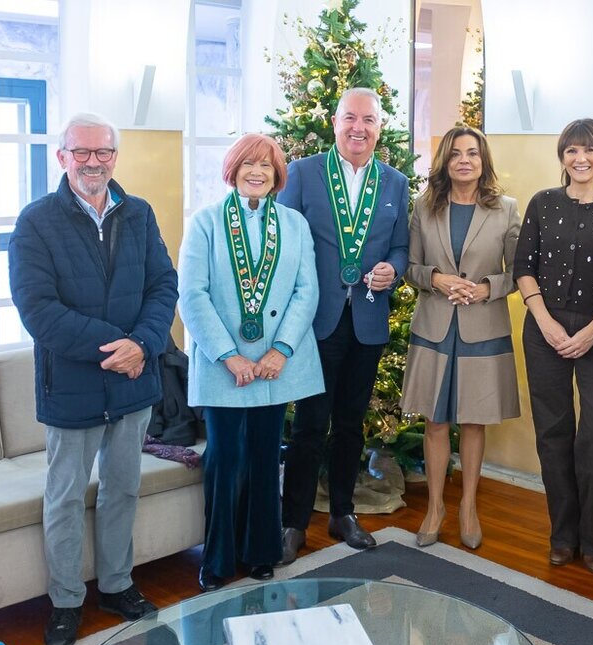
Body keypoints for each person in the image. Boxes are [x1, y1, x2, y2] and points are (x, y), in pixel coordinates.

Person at [8, 112, 178, 645]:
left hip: (134, 386)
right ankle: (64, 602)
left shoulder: (141, 214)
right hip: (72, 386)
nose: (93, 162)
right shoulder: (36, 222)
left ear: (114, 157)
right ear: (61, 157)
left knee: (123, 489)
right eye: (81, 153)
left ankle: (116, 585)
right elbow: (39, 312)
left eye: (102, 152)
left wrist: (145, 345)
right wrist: (119, 348)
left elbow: (163, 286)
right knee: (63, 497)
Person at [179, 133, 324, 592]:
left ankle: (261, 551)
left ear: (277, 174)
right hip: (226, 364)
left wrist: (281, 350)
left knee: (265, 457)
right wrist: (229, 356)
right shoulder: (204, 223)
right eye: (248, 164)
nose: (257, 172)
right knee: (225, 456)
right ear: (233, 170)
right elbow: (192, 294)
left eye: (266, 165)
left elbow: (307, 291)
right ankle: (217, 558)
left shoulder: (295, 225)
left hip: (275, 364)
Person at [277, 87, 410, 562]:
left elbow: (401, 248)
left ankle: (342, 512)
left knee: (352, 424)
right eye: (350, 118)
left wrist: (394, 269)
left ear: (380, 126)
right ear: (335, 122)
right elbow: (285, 244)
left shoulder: (394, 182)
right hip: (317, 320)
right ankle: (292, 522)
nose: (359, 127)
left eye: (368, 120)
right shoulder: (303, 174)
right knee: (310, 423)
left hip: (368, 319)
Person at [513, 118, 593, 574]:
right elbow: (524, 266)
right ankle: (562, 535)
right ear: (562, 157)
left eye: (589, 150)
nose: (580, 159)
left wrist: (592, 331)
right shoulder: (543, 203)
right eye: (571, 151)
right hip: (544, 328)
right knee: (553, 433)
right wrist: (544, 320)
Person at [401, 126, 521, 550]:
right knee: (436, 421)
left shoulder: (506, 209)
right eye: (455, 154)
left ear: (483, 160)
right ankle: (436, 508)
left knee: (473, 420)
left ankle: (468, 506)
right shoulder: (424, 208)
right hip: (434, 326)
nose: (464, 160)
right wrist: (435, 278)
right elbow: (410, 267)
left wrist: (487, 288)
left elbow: (519, 271)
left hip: (483, 326)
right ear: (445, 162)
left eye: (472, 153)